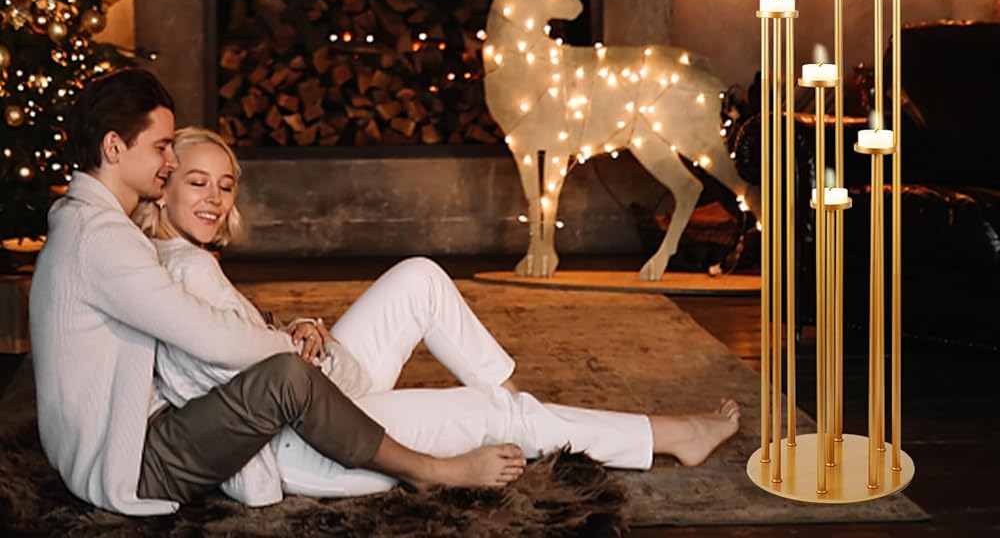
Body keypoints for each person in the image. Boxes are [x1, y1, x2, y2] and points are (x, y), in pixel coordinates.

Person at [132, 123, 743, 505]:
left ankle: (522, 410)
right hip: (303, 443)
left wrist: (293, 332)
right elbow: (240, 391)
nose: (215, 199)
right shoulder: (183, 271)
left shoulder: (182, 260)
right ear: (163, 188)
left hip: (311, 400)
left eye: (225, 185)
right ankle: (669, 436)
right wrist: (293, 348)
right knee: (490, 413)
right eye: (197, 183)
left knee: (420, 278)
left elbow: (238, 352)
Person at [28, 68, 525, 517]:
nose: (170, 160)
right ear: (114, 148)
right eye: (161, 148)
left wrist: (285, 331)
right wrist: (289, 347)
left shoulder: (88, 225)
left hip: (124, 442)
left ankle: (510, 407)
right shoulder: (103, 241)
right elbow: (216, 341)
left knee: (319, 348)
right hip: (134, 462)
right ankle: (429, 471)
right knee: (286, 376)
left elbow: (207, 326)